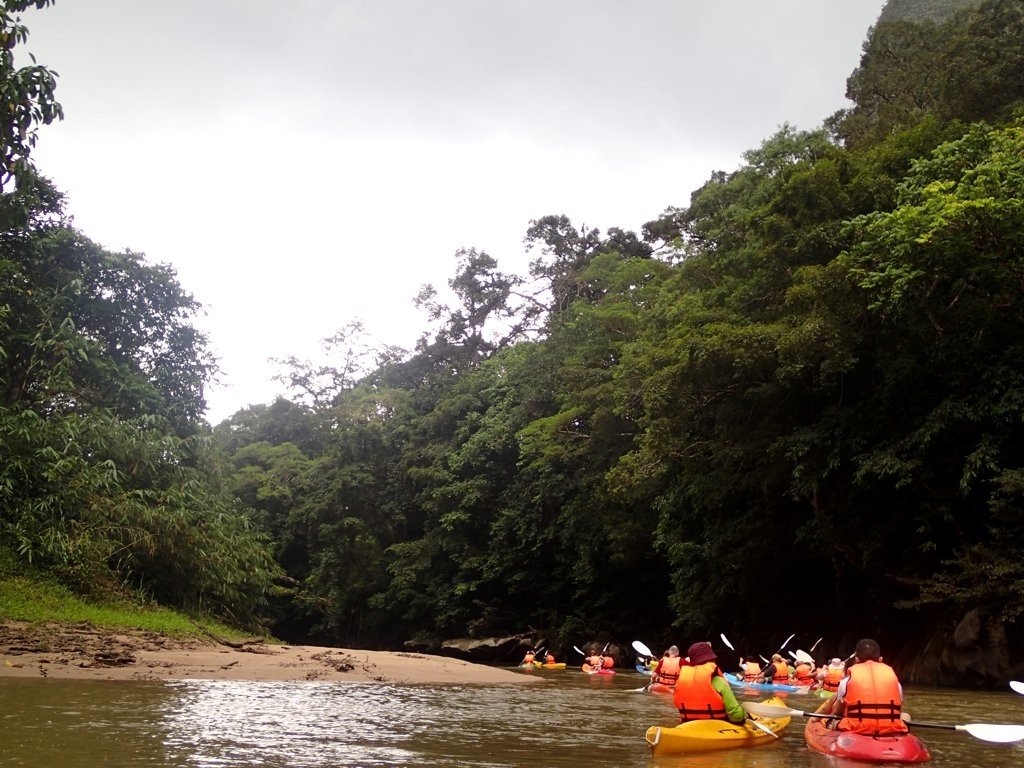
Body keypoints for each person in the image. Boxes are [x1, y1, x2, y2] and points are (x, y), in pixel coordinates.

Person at [821, 639, 907, 735]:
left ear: (857, 660)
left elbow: (837, 712)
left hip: (857, 728)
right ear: (880, 659)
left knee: (833, 721)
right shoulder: (896, 683)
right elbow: (898, 712)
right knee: (906, 716)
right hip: (889, 729)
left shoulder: (846, 682)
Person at [673, 641, 745, 724]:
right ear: (711, 659)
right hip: (717, 727)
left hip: (688, 724)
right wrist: (744, 715)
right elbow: (737, 716)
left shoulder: (680, 682)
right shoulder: (719, 682)